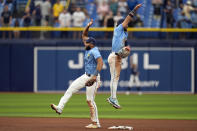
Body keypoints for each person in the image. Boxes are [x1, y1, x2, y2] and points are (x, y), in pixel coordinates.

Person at [51, 19, 103, 129]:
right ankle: (60, 108)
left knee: (90, 100)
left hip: (93, 78)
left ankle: (96, 123)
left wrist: (94, 76)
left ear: (92, 44)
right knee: (70, 89)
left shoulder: (95, 51)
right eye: (86, 41)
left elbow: (100, 62)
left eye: (87, 42)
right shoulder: (89, 47)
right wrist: (88, 26)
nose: (85, 42)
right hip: (85, 76)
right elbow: (83, 35)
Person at [107, 4, 142, 109]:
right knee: (114, 79)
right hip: (114, 56)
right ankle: (112, 98)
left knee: (115, 79)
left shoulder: (125, 34)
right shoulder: (118, 29)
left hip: (117, 57)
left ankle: (113, 98)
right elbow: (128, 19)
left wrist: (127, 49)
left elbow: (126, 46)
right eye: (124, 23)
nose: (126, 24)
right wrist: (134, 10)